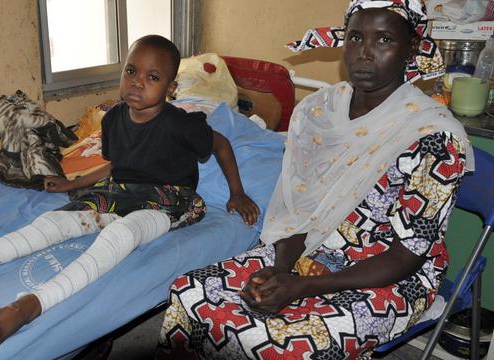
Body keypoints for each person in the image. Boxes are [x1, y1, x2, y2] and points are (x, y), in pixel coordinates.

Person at [0, 35, 260, 349]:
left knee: (122, 234)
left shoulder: (182, 125)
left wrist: (236, 192)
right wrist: (73, 184)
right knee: (52, 223)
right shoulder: (112, 119)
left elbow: (222, 146)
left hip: (170, 198)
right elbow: (114, 165)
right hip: (121, 190)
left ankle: (30, 305)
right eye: (131, 71)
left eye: (153, 76)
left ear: (171, 87)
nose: (137, 82)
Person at [156, 2, 475, 359]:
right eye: (356, 37)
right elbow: (299, 209)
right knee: (191, 291)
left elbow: (408, 254)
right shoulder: (319, 111)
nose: (365, 53)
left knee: (287, 342)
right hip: (315, 246)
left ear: (411, 49)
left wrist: (301, 286)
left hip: (393, 271)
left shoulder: (434, 136)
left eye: (384, 39)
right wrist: (279, 270)